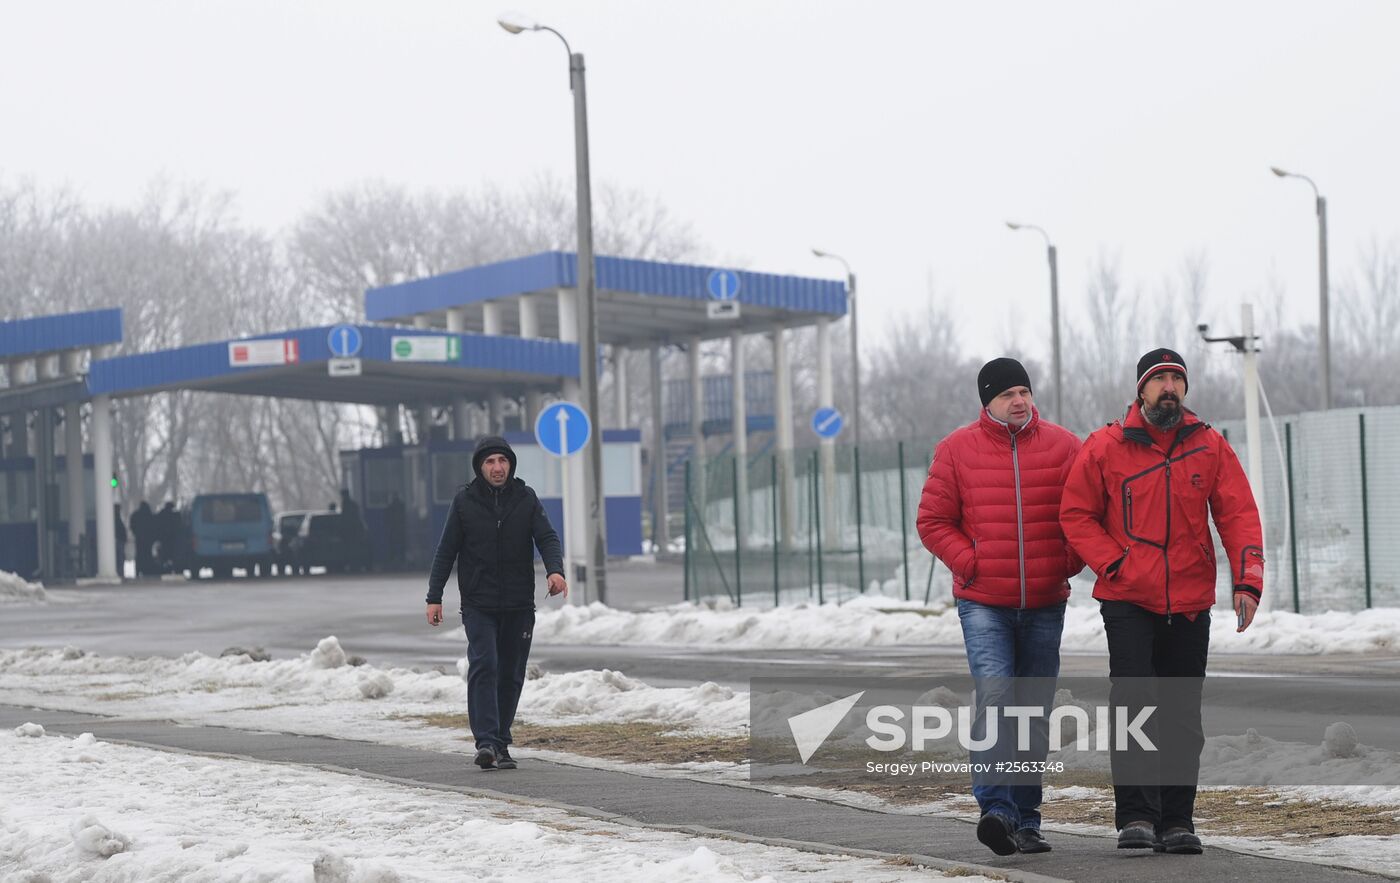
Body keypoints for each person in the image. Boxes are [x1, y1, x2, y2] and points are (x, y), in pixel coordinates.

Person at [1059, 347, 1263, 855]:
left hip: (1190, 600)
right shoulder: (1105, 446)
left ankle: (1177, 821)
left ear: (1185, 389)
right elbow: (1076, 514)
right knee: (1134, 706)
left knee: (1180, 713)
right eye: (1159, 379)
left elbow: (1238, 514)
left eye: (1177, 378)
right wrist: (1115, 563)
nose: (1169, 387)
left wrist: (1248, 580)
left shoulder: (1210, 445)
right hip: (1128, 597)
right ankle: (1136, 818)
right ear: (1141, 390)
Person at [917, 357, 1084, 856]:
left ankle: (1027, 820)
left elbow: (1085, 514)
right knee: (995, 698)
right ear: (986, 401)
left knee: (1032, 712)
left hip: (1044, 603)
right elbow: (932, 521)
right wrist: (970, 562)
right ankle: (997, 810)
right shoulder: (956, 449)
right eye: (1008, 393)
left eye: (1024, 392)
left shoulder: (1065, 446)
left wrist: (1065, 563)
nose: (1019, 401)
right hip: (984, 602)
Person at [425, 436, 567, 771]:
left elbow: (546, 537)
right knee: (485, 664)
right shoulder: (464, 502)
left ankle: (501, 742)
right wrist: (435, 597)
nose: (497, 468)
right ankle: (486, 741)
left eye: (502, 461)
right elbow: (446, 551)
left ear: (510, 464)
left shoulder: (526, 498)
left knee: (511, 673)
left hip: (519, 603)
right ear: (480, 467)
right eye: (490, 462)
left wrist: (555, 571)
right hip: (479, 603)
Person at [130, 501, 154, 577]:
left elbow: (132, 525)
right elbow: (153, 525)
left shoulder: (136, 515)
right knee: (147, 555)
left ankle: (138, 570)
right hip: (148, 539)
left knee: (139, 555)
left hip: (139, 539)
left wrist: (136, 533)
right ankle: (147, 570)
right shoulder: (148, 515)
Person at [155, 502, 181, 574]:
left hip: (163, 540)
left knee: (163, 557)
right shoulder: (175, 515)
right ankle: (174, 569)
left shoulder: (161, 515)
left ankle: (163, 570)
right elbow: (179, 527)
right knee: (173, 556)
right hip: (173, 540)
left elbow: (157, 526)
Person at [113, 504, 127, 579]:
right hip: (118, 540)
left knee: (120, 558)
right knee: (120, 558)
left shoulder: (116, 518)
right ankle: (120, 573)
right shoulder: (115, 519)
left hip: (120, 540)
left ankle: (120, 572)